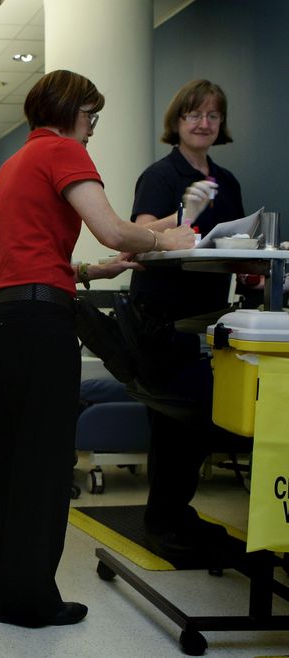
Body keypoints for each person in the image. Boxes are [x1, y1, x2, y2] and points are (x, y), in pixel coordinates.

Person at [0, 69, 195, 629]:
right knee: (46, 459)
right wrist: (163, 238)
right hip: (37, 324)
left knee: (6, 451)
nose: (93, 126)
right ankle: (27, 599)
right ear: (69, 111)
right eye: (90, 114)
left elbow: (33, 255)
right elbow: (113, 229)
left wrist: (95, 271)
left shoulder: (14, 164)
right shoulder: (63, 150)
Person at [129, 80, 245, 557]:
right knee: (174, 423)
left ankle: (176, 512)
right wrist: (185, 212)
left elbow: (235, 244)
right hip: (164, 319)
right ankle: (162, 521)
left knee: (198, 424)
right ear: (176, 122)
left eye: (213, 116)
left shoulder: (228, 182)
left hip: (210, 318)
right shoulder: (161, 175)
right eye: (194, 114)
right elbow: (138, 236)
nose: (204, 123)